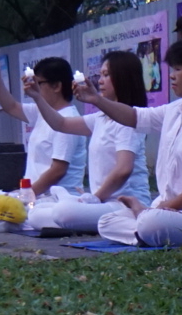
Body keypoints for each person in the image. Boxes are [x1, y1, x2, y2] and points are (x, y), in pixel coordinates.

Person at [87, 36, 182, 247]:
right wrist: (97, 100)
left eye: (178, 69)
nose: (171, 76)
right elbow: (135, 117)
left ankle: (148, 227)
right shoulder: (175, 109)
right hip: (161, 210)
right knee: (106, 222)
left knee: (151, 222)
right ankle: (146, 229)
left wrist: (167, 208)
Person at [24, 50, 153, 232]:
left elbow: (124, 169)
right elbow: (60, 123)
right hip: (102, 202)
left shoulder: (127, 120)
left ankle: (89, 214)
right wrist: (38, 96)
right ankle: (76, 209)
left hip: (124, 204)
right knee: (36, 213)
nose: (100, 81)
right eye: (100, 75)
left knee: (63, 213)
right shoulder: (100, 118)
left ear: (123, 78)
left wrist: (95, 198)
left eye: (106, 75)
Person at [0, 55, 86, 196]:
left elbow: (57, 171)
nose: (33, 87)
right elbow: (11, 107)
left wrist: (23, 196)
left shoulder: (69, 120)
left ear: (56, 86)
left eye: (38, 83)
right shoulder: (43, 111)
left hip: (57, 200)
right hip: (36, 197)